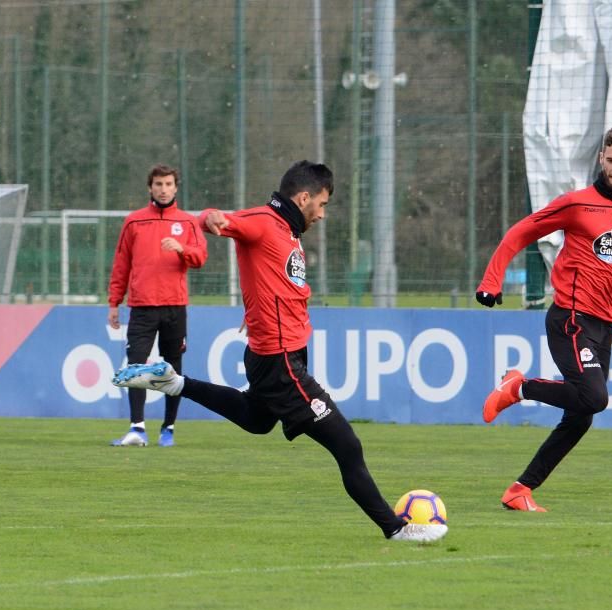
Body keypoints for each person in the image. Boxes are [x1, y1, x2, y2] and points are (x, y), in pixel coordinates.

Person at [111, 160, 447, 543]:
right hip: (280, 360)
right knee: (347, 445)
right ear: (303, 197)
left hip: (279, 354)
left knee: (257, 419)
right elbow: (214, 219)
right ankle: (396, 528)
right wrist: (214, 218)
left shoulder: (288, 230)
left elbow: (277, 281)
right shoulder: (264, 220)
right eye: (321, 204)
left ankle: (174, 383)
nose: (322, 214)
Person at [475, 125, 612, 512]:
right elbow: (520, 233)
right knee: (595, 397)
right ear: (600, 158)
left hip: (603, 324)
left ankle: (520, 490)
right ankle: (518, 388)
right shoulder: (576, 204)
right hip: (569, 317)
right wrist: (492, 281)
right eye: (610, 160)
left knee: (581, 415)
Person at [108, 163, 207, 447]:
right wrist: (114, 302)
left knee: (172, 370)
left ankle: (169, 428)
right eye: (158, 184)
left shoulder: (188, 223)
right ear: (150, 188)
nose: (163, 189)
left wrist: (182, 249)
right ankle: (136, 429)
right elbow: (121, 265)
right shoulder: (134, 222)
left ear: (176, 187)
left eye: (168, 184)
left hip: (175, 308)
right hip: (141, 307)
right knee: (135, 367)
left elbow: (200, 257)